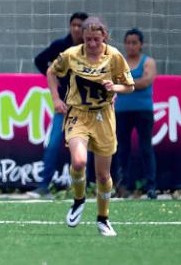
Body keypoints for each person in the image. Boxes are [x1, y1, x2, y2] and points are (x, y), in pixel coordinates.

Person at [47, 16, 134, 237]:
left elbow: (129, 86)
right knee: (79, 162)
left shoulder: (114, 56)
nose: (92, 44)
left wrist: (114, 87)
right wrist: (56, 99)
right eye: (88, 40)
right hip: (78, 114)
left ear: (104, 36)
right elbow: (51, 72)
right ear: (83, 38)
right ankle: (79, 200)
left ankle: (103, 218)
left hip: (104, 117)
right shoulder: (72, 54)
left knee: (103, 176)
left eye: (96, 39)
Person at [28, 12, 88, 198]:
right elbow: (40, 61)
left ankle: (90, 186)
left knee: (91, 148)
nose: (76, 29)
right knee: (53, 144)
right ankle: (44, 185)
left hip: (87, 108)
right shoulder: (60, 46)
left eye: (80, 26)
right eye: (74, 25)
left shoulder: (92, 48)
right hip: (64, 106)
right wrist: (56, 81)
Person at [115, 27, 158, 199]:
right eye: (128, 43)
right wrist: (134, 82)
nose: (131, 46)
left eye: (134, 43)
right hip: (122, 111)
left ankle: (150, 186)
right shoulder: (119, 62)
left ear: (141, 44)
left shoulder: (148, 62)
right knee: (122, 148)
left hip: (143, 111)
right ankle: (122, 186)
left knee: (145, 148)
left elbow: (146, 81)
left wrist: (125, 83)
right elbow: (113, 82)